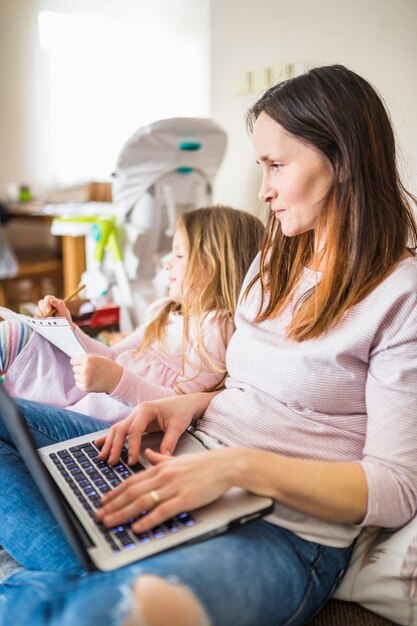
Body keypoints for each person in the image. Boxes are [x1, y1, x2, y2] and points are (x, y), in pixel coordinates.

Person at [1, 63, 417, 626]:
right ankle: (94, 572)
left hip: (284, 529)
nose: (263, 190)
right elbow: (246, 386)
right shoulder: (275, 262)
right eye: (260, 166)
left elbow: (395, 488)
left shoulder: (401, 295)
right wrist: (185, 404)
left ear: (341, 159)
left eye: (276, 165)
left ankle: (68, 587)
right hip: (185, 457)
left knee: (87, 615)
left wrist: (237, 469)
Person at [0, 205, 264, 423]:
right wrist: (67, 327)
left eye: (179, 255)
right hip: (95, 397)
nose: (166, 263)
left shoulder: (214, 328)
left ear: (216, 266)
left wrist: (116, 380)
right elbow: (113, 354)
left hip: (118, 416)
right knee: (15, 332)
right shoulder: (162, 310)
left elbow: (178, 404)